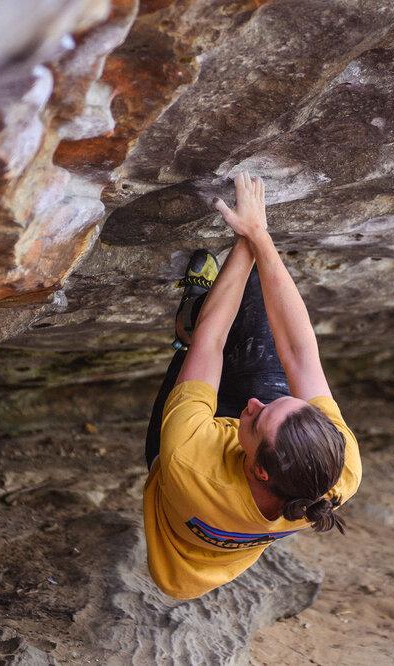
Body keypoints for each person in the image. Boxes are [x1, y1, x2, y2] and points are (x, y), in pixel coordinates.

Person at [142, 172, 362, 600]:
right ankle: (210, 306)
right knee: (260, 296)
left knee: (201, 344)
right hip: (241, 465)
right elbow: (299, 354)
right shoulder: (338, 473)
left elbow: (212, 342)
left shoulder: (189, 462)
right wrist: (259, 238)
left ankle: (186, 320)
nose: (256, 402)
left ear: (260, 468)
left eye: (259, 414)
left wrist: (245, 240)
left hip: (181, 466)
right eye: (281, 404)